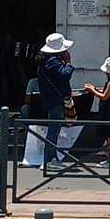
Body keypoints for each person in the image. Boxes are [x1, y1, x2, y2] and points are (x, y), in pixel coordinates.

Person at [28, 33, 79, 167]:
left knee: (54, 130)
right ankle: (49, 160)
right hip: (56, 101)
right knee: (54, 131)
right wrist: (68, 63)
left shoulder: (47, 60)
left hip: (52, 100)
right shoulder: (52, 62)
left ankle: (52, 158)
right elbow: (64, 74)